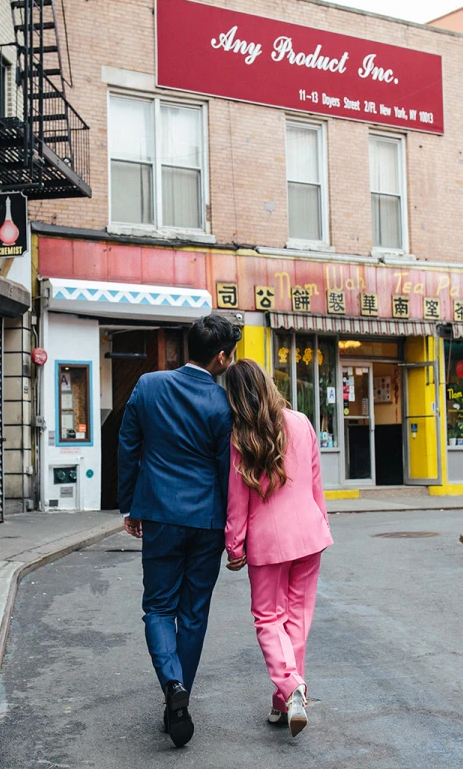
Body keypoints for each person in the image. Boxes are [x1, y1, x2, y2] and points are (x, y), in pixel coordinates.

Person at [117, 314, 242, 748]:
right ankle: (180, 697)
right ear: (222, 357)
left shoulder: (149, 386)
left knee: (157, 607)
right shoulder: (222, 405)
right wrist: (233, 530)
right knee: (193, 614)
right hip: (206, 520)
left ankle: (173, 686)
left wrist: (130, 505)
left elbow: (129, 445)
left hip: (159, 513)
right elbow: (228, 472)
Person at [223, 360, 334, 737]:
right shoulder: (301, 421)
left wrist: (233, 546)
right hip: (309, 534)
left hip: (268, 542)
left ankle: (290, 688)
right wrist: (323, 522)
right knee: (297, 621)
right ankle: (283, 700)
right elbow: (316, 482)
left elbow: (237, 501)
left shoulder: (239, 437)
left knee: (269, 619)